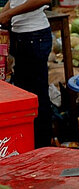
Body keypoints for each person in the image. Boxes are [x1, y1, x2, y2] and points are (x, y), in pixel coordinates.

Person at [0, 0, 53, 148]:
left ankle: (42, 147)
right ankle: (30, 143)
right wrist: (4, 13)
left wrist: (8, 14)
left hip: (34, 36)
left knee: (37, 96)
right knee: (25, 93)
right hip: (22, 37)